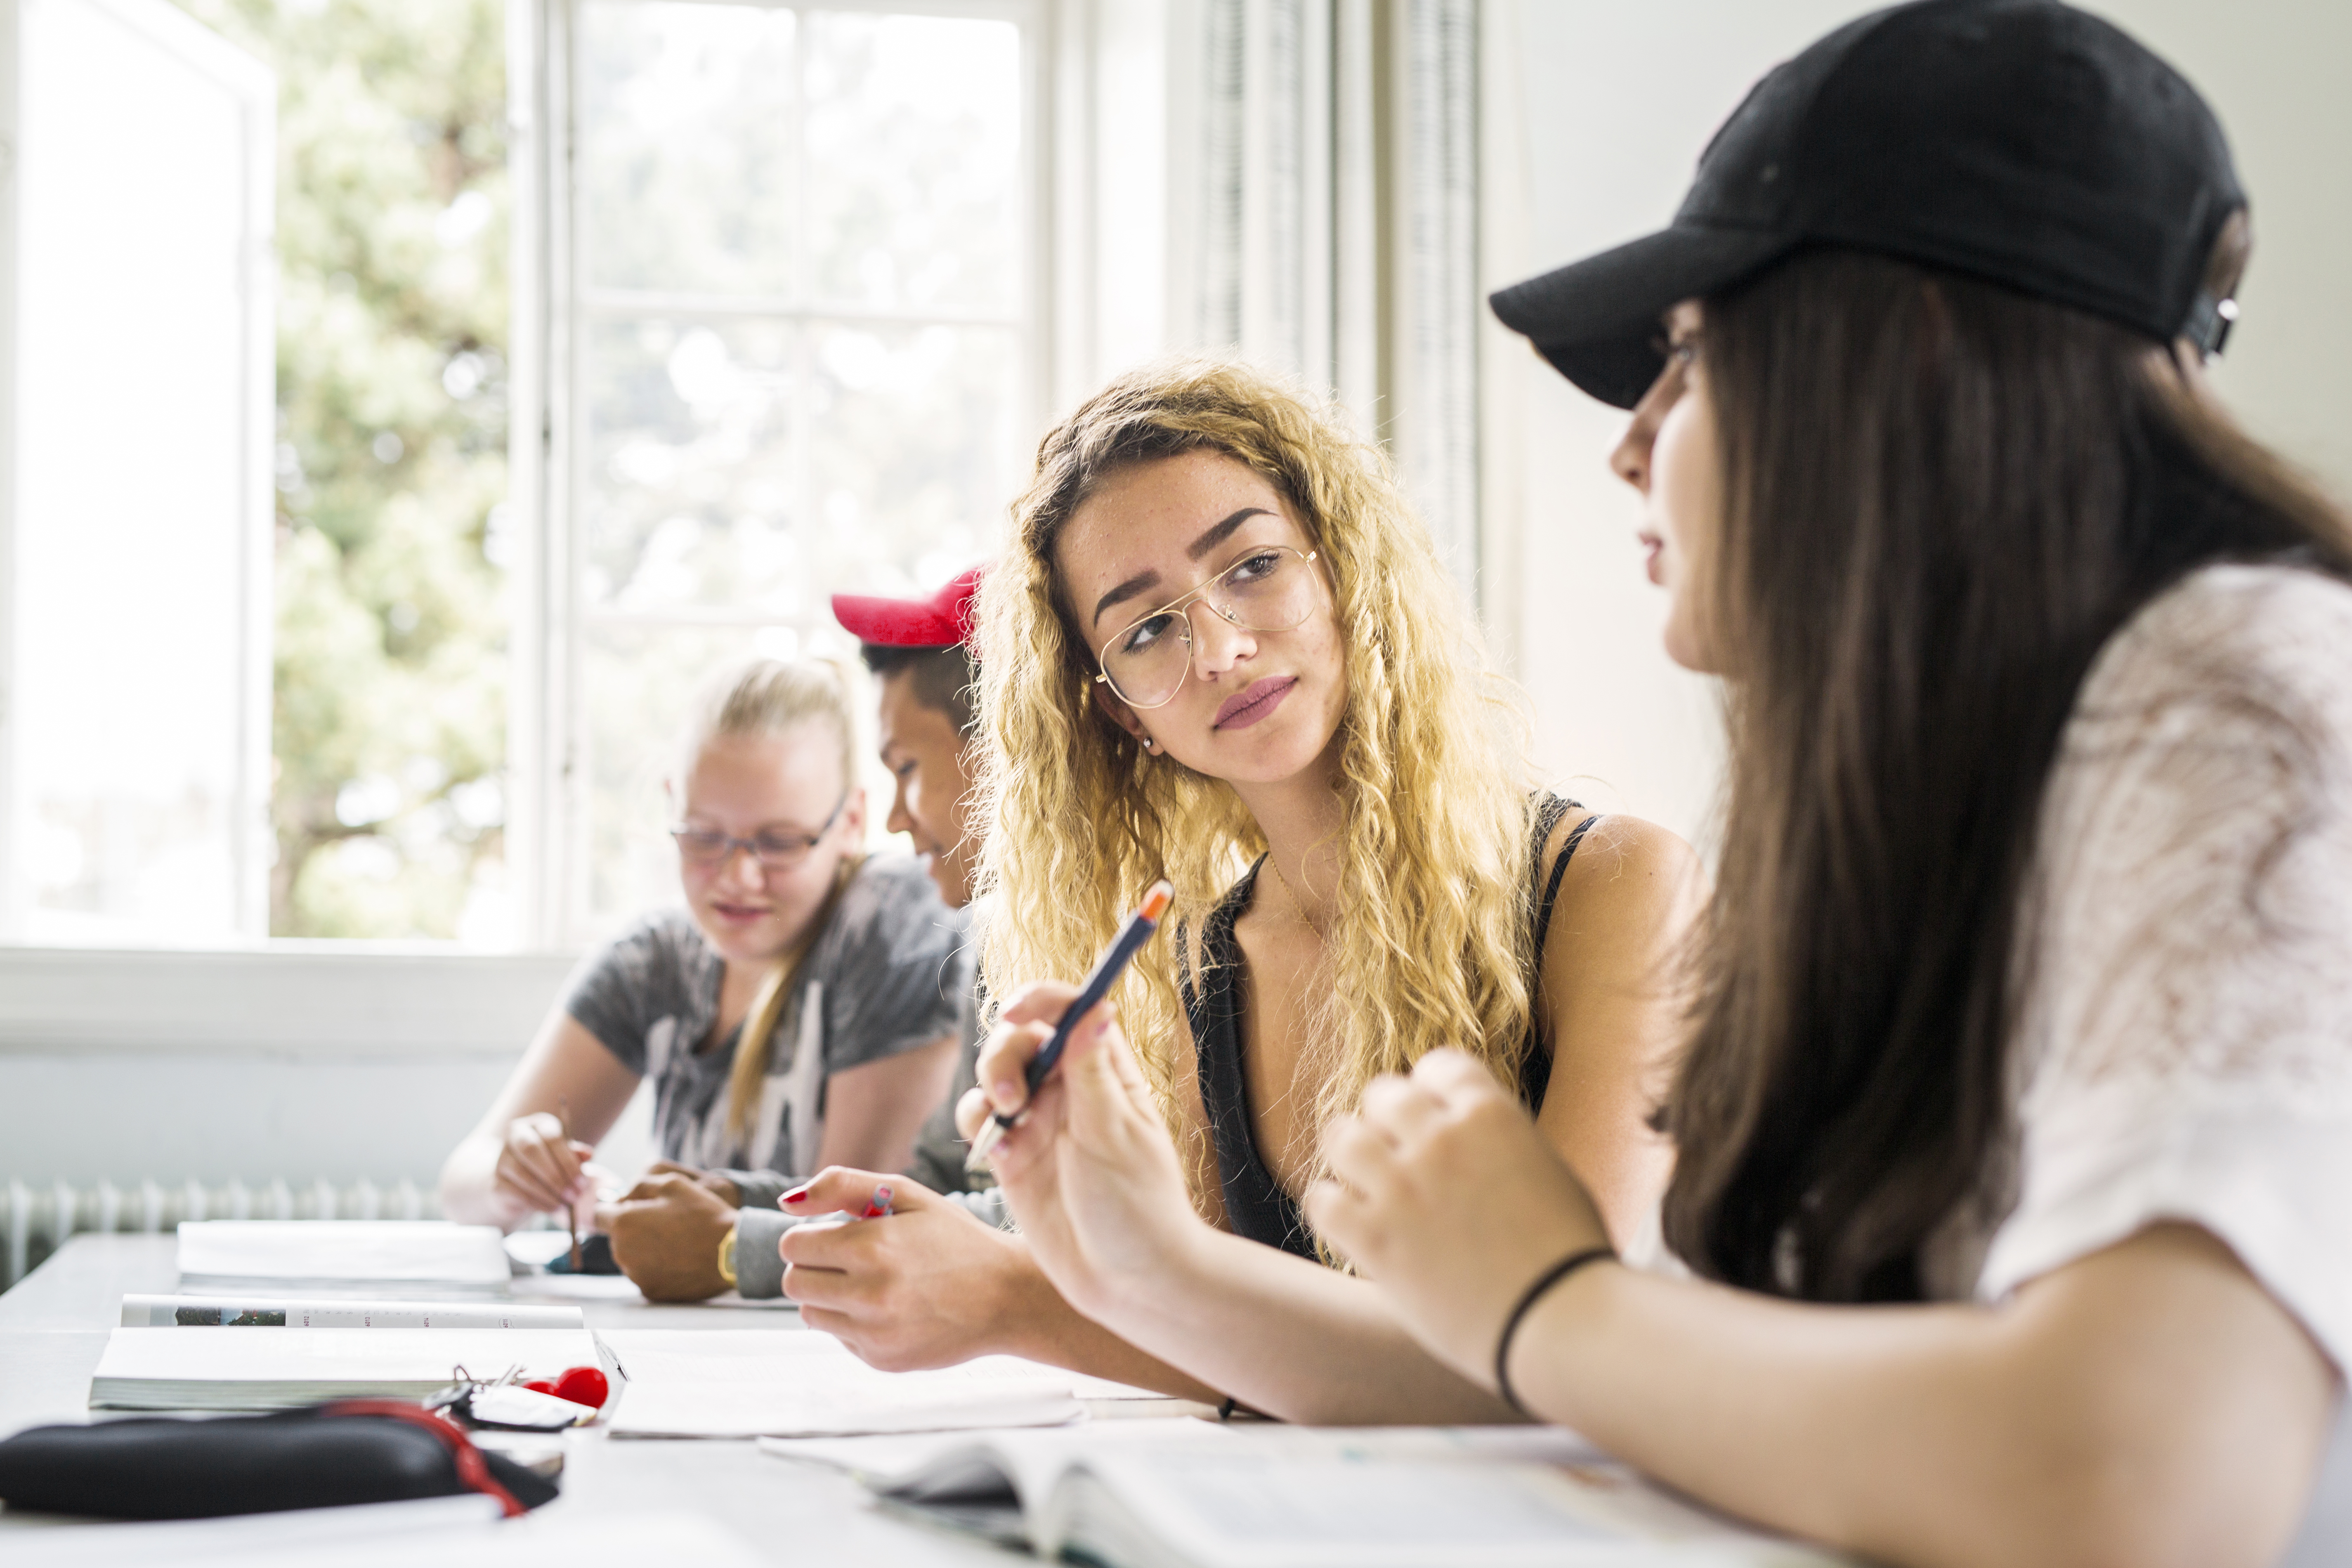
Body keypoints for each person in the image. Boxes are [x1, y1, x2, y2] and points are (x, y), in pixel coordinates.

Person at [1288, 5, 2350, 1566]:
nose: (1630, 447)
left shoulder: (2248, 688)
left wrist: (1543, 1300)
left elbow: (2136, 1478)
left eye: (1693, 361)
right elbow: (1729, 1387)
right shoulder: (1941, 782)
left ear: (1911, 352)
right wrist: (1129, 1262)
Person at [800, 357, 1702, 1415]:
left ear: (1343, 566)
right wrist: (1053, 1253)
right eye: (1146, 630)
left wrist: (1016, 1299)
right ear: (1119, 713)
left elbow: (1549, 1365)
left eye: (1253, 565)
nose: (1222, 648)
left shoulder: (1616, 889)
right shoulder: (1196, 969)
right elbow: (1244, 1348)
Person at [438, 657, 964, 1301]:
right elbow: (462, 1185)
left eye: (779, 842)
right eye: (704, 836)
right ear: (671, 809)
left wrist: (707, 1243)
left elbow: (851, 1223)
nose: (738, 877)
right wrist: (514, 1173)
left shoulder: (890, 923)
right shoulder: (651, 961)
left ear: (851, 823)